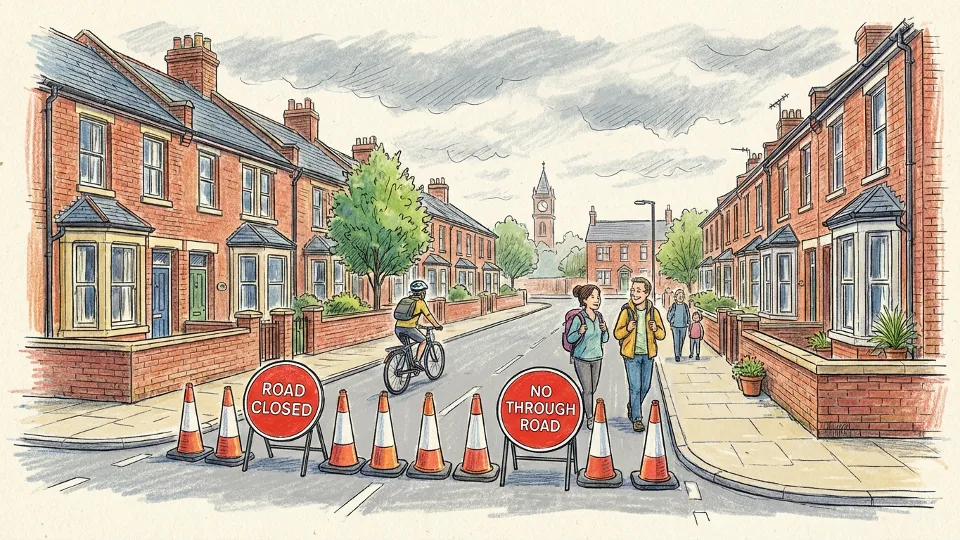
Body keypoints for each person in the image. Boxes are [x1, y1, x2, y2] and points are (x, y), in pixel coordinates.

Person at [614, 277, 665, 432]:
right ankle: (637, 418)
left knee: (646, 386)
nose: (634, 293)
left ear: (646, 293)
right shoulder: (627, 311)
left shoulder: (653, 312)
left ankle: (632, 405)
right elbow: (617, 333)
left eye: (638, 290)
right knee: (635, 387)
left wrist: (655, 329)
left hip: (648, 355)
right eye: (633, 290)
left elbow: (662, 335)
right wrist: (628, 328)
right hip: (631, 355)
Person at [566, 284, 609, 430]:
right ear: (584, 300)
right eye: (593, 297)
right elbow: (570, 338)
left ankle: (586, 407)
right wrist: (579, 331)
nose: (597, 300)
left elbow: (605, 339)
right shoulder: (579, 318)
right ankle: (589, 417)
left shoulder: (599, 317)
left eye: (598, 297)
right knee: (588, 389)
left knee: (593, 388)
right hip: (582, 358)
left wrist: (604, 330)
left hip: (597, 357)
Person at [394, 280, 443, 367]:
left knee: (407, 347)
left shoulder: (404, 300)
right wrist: (437, 326)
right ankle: (417, 361)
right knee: (423, 341)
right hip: (408, 329)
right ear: (422, 293)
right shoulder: (420, 303)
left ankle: (409, 365)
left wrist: (417, 325)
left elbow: (407, 316)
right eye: (424, 292)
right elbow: (428, 315)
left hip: (398, 328)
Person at [667, 289, 691, 362]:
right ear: (675, 297)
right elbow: (669, 315)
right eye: (679, 295)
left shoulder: (685, 306)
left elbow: (688, 315)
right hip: (675, 326)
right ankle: (677, 355)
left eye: (682, 296)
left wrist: (688, 322)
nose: (681, 297)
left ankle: (679, 352)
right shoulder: (674, 306)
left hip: (684, 326)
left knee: (682, 340)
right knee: (676, 341)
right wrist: (671, 321)